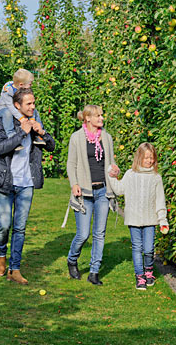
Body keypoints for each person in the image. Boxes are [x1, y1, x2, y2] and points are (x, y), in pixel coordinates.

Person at [0, 88, 55, 284]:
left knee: (20, 228)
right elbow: (0, 148)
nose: (33, 107)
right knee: (4, 225)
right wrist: (22, 133)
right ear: (17, 106)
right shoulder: (1, 122)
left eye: (34, 103)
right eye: (29, 104)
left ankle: (15, 269)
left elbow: (51, 146)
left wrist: (42, 133)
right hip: (5, 182)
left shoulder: (36, 124)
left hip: (26, 184)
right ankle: (1, 255)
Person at [64, 105, 119, 286]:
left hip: (103, 190)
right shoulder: (77, 138)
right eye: (98, 115)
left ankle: (94, 271)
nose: (101, 118)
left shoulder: (107, 138)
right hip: (84, 192)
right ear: (87, 118)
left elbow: (110, 164)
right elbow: (71, 164)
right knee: (83, 234)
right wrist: (74, 184)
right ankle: (72, 260)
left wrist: (115, 170)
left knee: (100, 233)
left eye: (102, 115)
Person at [108, 143, 169, 290]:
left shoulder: (156, 177)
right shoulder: (130, 174)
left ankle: (149, 270)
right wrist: (111, 176)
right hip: (133, 218)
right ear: (139, 157)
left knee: (148, 249)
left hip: (150, 219)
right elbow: (119, 189)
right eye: (146, 157)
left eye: (151, 158)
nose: (149, 161)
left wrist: (162, 220)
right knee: (137, 247)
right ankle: (140, 276)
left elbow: (160, 200)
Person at [0, 68, 45, 148]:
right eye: (30, 84)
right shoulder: (7, 91)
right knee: (8, 113)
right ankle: (11, 136)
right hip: (4, 109)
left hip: (17, 108)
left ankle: (38, 133)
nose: (31, 86)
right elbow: (11, 108)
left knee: (34, 110)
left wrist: (32, 119)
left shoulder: (23, 89)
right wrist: (21, 118)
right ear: (21, 85)